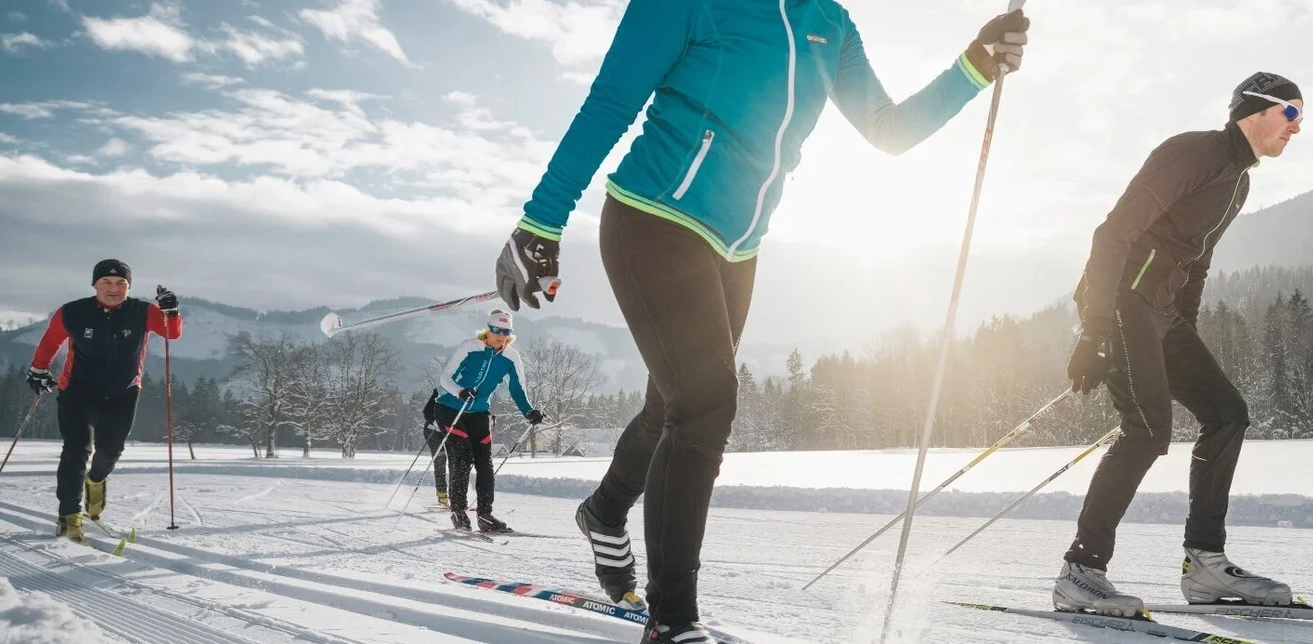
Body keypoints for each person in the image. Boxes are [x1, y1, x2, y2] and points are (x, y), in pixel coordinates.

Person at [486, 2, 1030, 641]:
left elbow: (889, 128)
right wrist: (541, 220)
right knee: (707, 405)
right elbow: (612, 99)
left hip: (736, 250)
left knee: (673, 408)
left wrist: (976, 65)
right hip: (652, 217)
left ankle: (605, 511)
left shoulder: (829, 23)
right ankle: (671, 623)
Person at [1054, 72, 1305, 617]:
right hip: (1123, 298)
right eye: (1291, 113)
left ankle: (1205, 565)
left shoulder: (1238, 181)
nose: (1297, 128)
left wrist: (1182, 329)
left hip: (1161, 313)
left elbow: (1197, 259)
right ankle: (1081, 570)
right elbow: (1113, 233)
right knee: (1146, 431)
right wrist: (1096, 328)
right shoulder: (1193, 153)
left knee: (1227, 414)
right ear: (1255, 111)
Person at [26, 259, 183, 543]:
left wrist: (170, 311)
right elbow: (51, 342)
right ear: (94, 284)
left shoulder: (142, 311)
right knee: (76, 450)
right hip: (77, 392)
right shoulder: (73, 312)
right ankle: (69, 517)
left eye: (121, 283)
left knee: (111, 451)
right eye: (106, 283)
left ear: (128, 286)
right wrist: (39, 368)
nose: (114, 289)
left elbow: (171, 332)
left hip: (122, 394)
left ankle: (96, 480)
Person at [433, 309, 545, 533]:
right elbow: (445, 377)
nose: (500, 335)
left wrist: (529, 411)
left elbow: (517, 389)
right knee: (462, 457)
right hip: (449, 407)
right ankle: (459, 510)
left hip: (479, 412)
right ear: (488, 329)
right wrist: (460, 391)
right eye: (495, 330)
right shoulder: (469, 347)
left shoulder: (511, 357)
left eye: (505, 331)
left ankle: (485, 515)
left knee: (485, 462)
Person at [420, 394, 450, 507]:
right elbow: (427, 411)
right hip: (433, 431)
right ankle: (442, 495)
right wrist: (434, 421)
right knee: (440, 459)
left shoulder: (464, 392)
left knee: (455, 460)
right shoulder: (441, 390)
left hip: (448, 431)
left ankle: (456, 496)